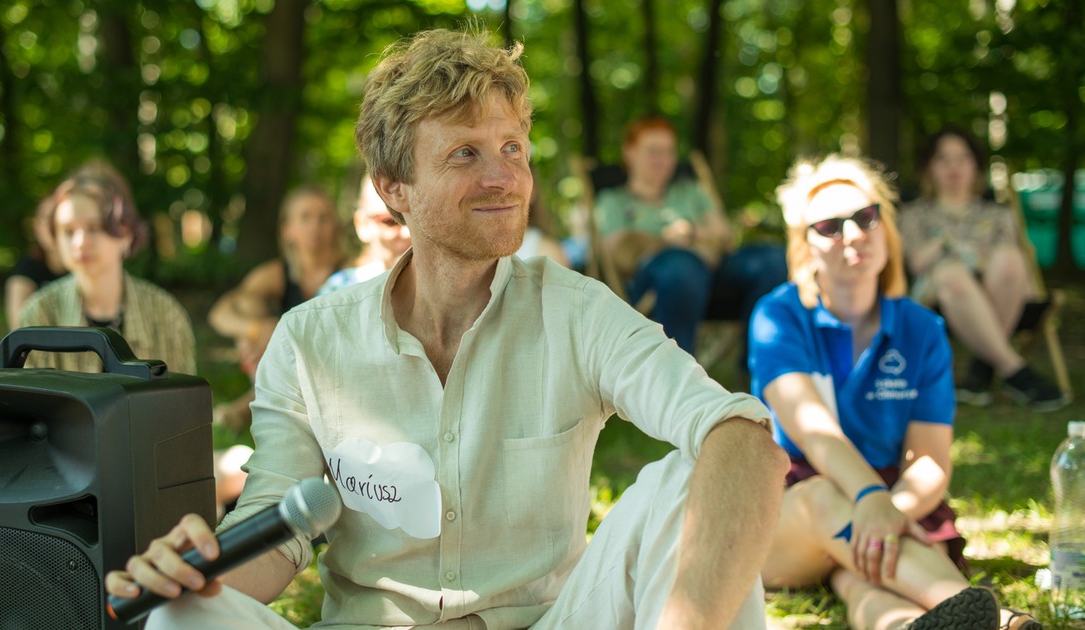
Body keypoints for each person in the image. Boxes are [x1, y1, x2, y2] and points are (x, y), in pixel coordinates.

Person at [106, 28, 787, 629]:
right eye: (465, 153)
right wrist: (201, 573)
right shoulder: (310, 341)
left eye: (513, 148)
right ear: (393, 188)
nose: (505, 178)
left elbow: (743, 438)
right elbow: (277, 529)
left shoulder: (579, 312)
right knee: (182, 612)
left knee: (697, 470)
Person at [750, 155, 1039, 630]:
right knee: (826, 498)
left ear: (886, 228)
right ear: (804, 247)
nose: (853, 234)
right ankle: (1001, 620)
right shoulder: (777, 316)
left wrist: (890, 511)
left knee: (859, 579)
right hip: (793, 512)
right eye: (829, 226)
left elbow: (929, 460)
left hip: (888, 508)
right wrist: (870, 499)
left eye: (866, 216)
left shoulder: (921, 328)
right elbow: (814, 433)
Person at [898, 125, 1067, 411]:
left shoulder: (998, 213)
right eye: (943, 159)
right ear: (929, 168)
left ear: (975, 165)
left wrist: (953, 248)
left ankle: (983, 370)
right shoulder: (913, 213)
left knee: (1009, 258)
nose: (953, 167)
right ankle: (1014, 369)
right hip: (936, 297)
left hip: (1000, 293)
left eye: (962, 158)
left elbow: (1013, 266)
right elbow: (917, 262)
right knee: (951, 273)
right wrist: (952, 245)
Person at [593, 117, 787, 357]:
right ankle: (678, 369)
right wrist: (672, 241)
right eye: (652, 151)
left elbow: (725, 238)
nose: (661, 159)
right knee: (681, 266)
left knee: (774, 259)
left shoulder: (690, 191)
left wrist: (689, 236)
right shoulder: (613, 201)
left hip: (712, 274)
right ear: (630, 153)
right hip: (660, 284)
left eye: (668, 152)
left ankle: (758, 363)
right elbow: (621, 254)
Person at [18, 160, 195, 375]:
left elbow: (184, 395)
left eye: (94, 228)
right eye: (68, 231)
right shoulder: (40, 315)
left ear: (126, 233)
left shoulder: (166, 316)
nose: (80, 242)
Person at [208, 187, 344, 430]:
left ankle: (253, 405)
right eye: (305, 217)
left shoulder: (350, 270)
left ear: (335, 226)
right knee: (246, 303)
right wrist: (258, 328)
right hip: (288, 364)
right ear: (287, 229)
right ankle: (262, 397)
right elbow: (220, 314)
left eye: (323, 218)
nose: (315, 225)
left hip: (334, 366)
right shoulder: (278, 273)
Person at [317, 174, 411, 295]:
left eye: (416, 220)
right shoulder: (337, 293)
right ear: (362, 225)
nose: (407, 233)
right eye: (391, 221)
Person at [5, 194, 67, 330]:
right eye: (45, 218)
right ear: (36, 226)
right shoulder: (26, 270)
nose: (50, 226)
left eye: (56, 217)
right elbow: (20, 330)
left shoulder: (89, 268)